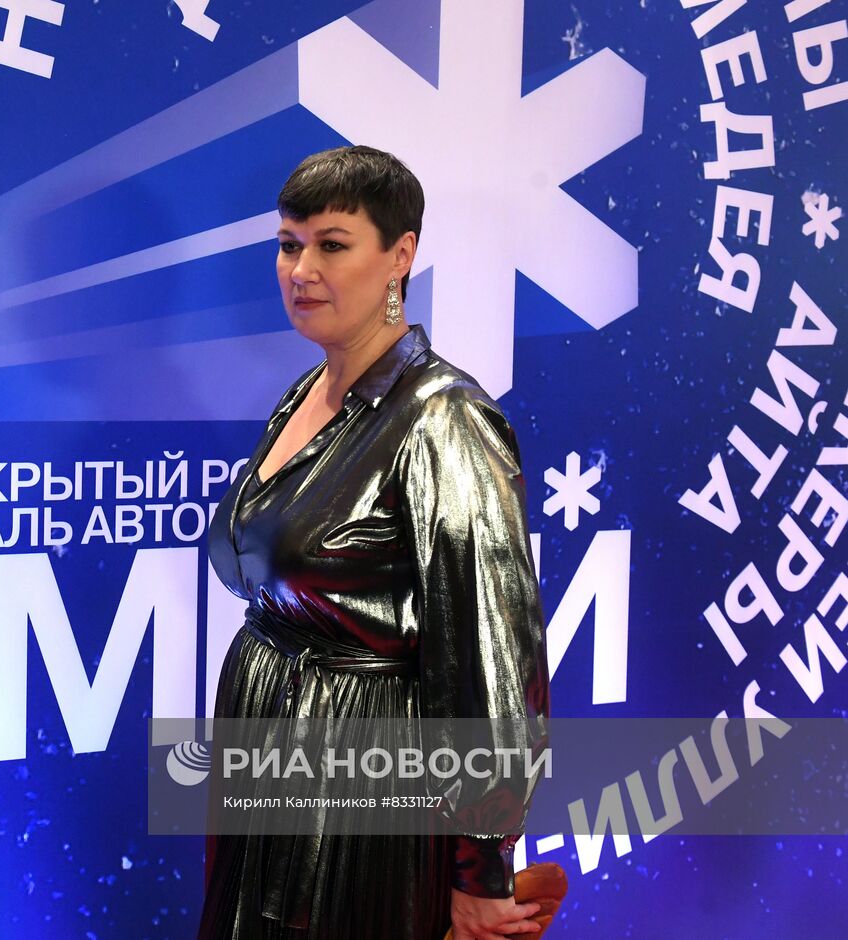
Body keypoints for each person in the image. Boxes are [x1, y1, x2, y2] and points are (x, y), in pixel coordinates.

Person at [199, 146, 551, 939]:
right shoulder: (309, 391)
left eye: (332, 244)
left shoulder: (445, 421)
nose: (301, 270)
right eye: (289, 244)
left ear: (400, 256)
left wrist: (480, 868)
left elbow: (493, 660)